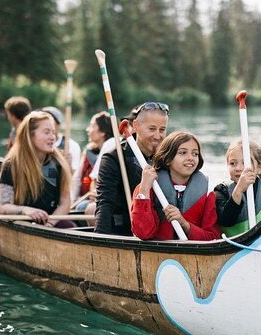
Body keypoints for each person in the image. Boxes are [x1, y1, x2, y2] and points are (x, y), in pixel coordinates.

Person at [94, 102, 169, 236]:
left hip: (159, 233)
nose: (157, 136)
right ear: (135, 126)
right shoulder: (114, 158)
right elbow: (105, 203)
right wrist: (99, 239)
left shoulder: (167, 159)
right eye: (152, 129)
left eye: (162, 130)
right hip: (124, 233)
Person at [131, 132, 219, 241]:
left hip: (192, 255)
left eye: (195, 154)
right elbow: (143, 233)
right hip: (159, 254)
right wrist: (144, 190)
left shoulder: (207, 196)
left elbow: (212, 238)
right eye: (183, 153)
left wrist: (184, 224)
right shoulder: (147, 190)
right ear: (168, 159)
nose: (191, 158)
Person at [0, 111, 75, 228]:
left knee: (70, 227)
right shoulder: (11, 164)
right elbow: (3, 206)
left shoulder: (59, 163)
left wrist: (50, 224)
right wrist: (26, 210)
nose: (52, 137)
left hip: (51, 221)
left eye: (53, 132)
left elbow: (65, 203)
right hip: (22, 222)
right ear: (30, 135)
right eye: (46, 132)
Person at [215, 139, 261, 236]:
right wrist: (238, 190)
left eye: (245, 163)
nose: (238, 168)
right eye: (232, 163)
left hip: (260, 242)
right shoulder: (221, 191)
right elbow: (226, 220)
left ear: (259, 168)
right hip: (233, 246)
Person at [78, 111, 113, 221]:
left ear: (102, 132)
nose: (88, 129)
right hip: (91, 198)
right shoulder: (89, 150)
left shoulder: (112, 146)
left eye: (92, 126)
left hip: (105, 200)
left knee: (82, 207)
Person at [41, 106, 81, 198]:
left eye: (50, 121)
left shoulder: (71, 146)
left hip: (63, 193)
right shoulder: (36, 144)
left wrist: (67, 166)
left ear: (58, 125)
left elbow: (74, 178)